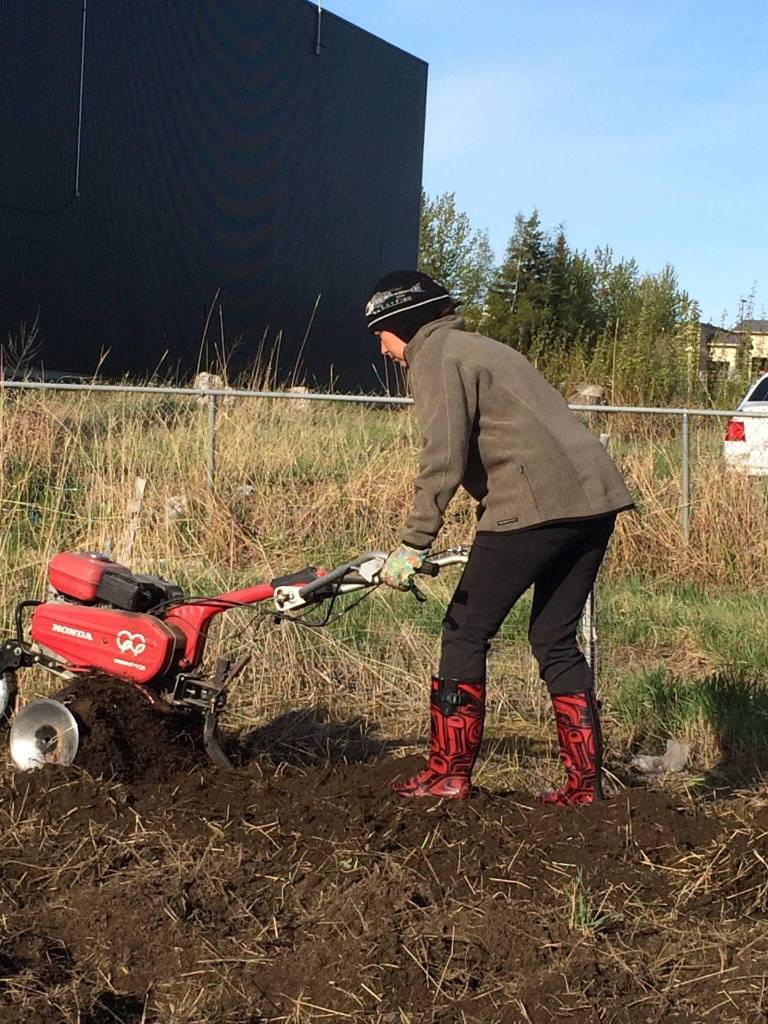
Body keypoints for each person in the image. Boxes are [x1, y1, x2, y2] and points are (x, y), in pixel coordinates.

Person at [366, 270, 634, 806]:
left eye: (381, 334)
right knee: (554, 638)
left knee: (464, 631)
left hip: (532, 505)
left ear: (404, 323)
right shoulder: (482, 347)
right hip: (594, 500)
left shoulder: (434, 355)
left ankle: (448, 773)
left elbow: (443, 455)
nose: (383, 349)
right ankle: (584, 787)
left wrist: (414, 542)